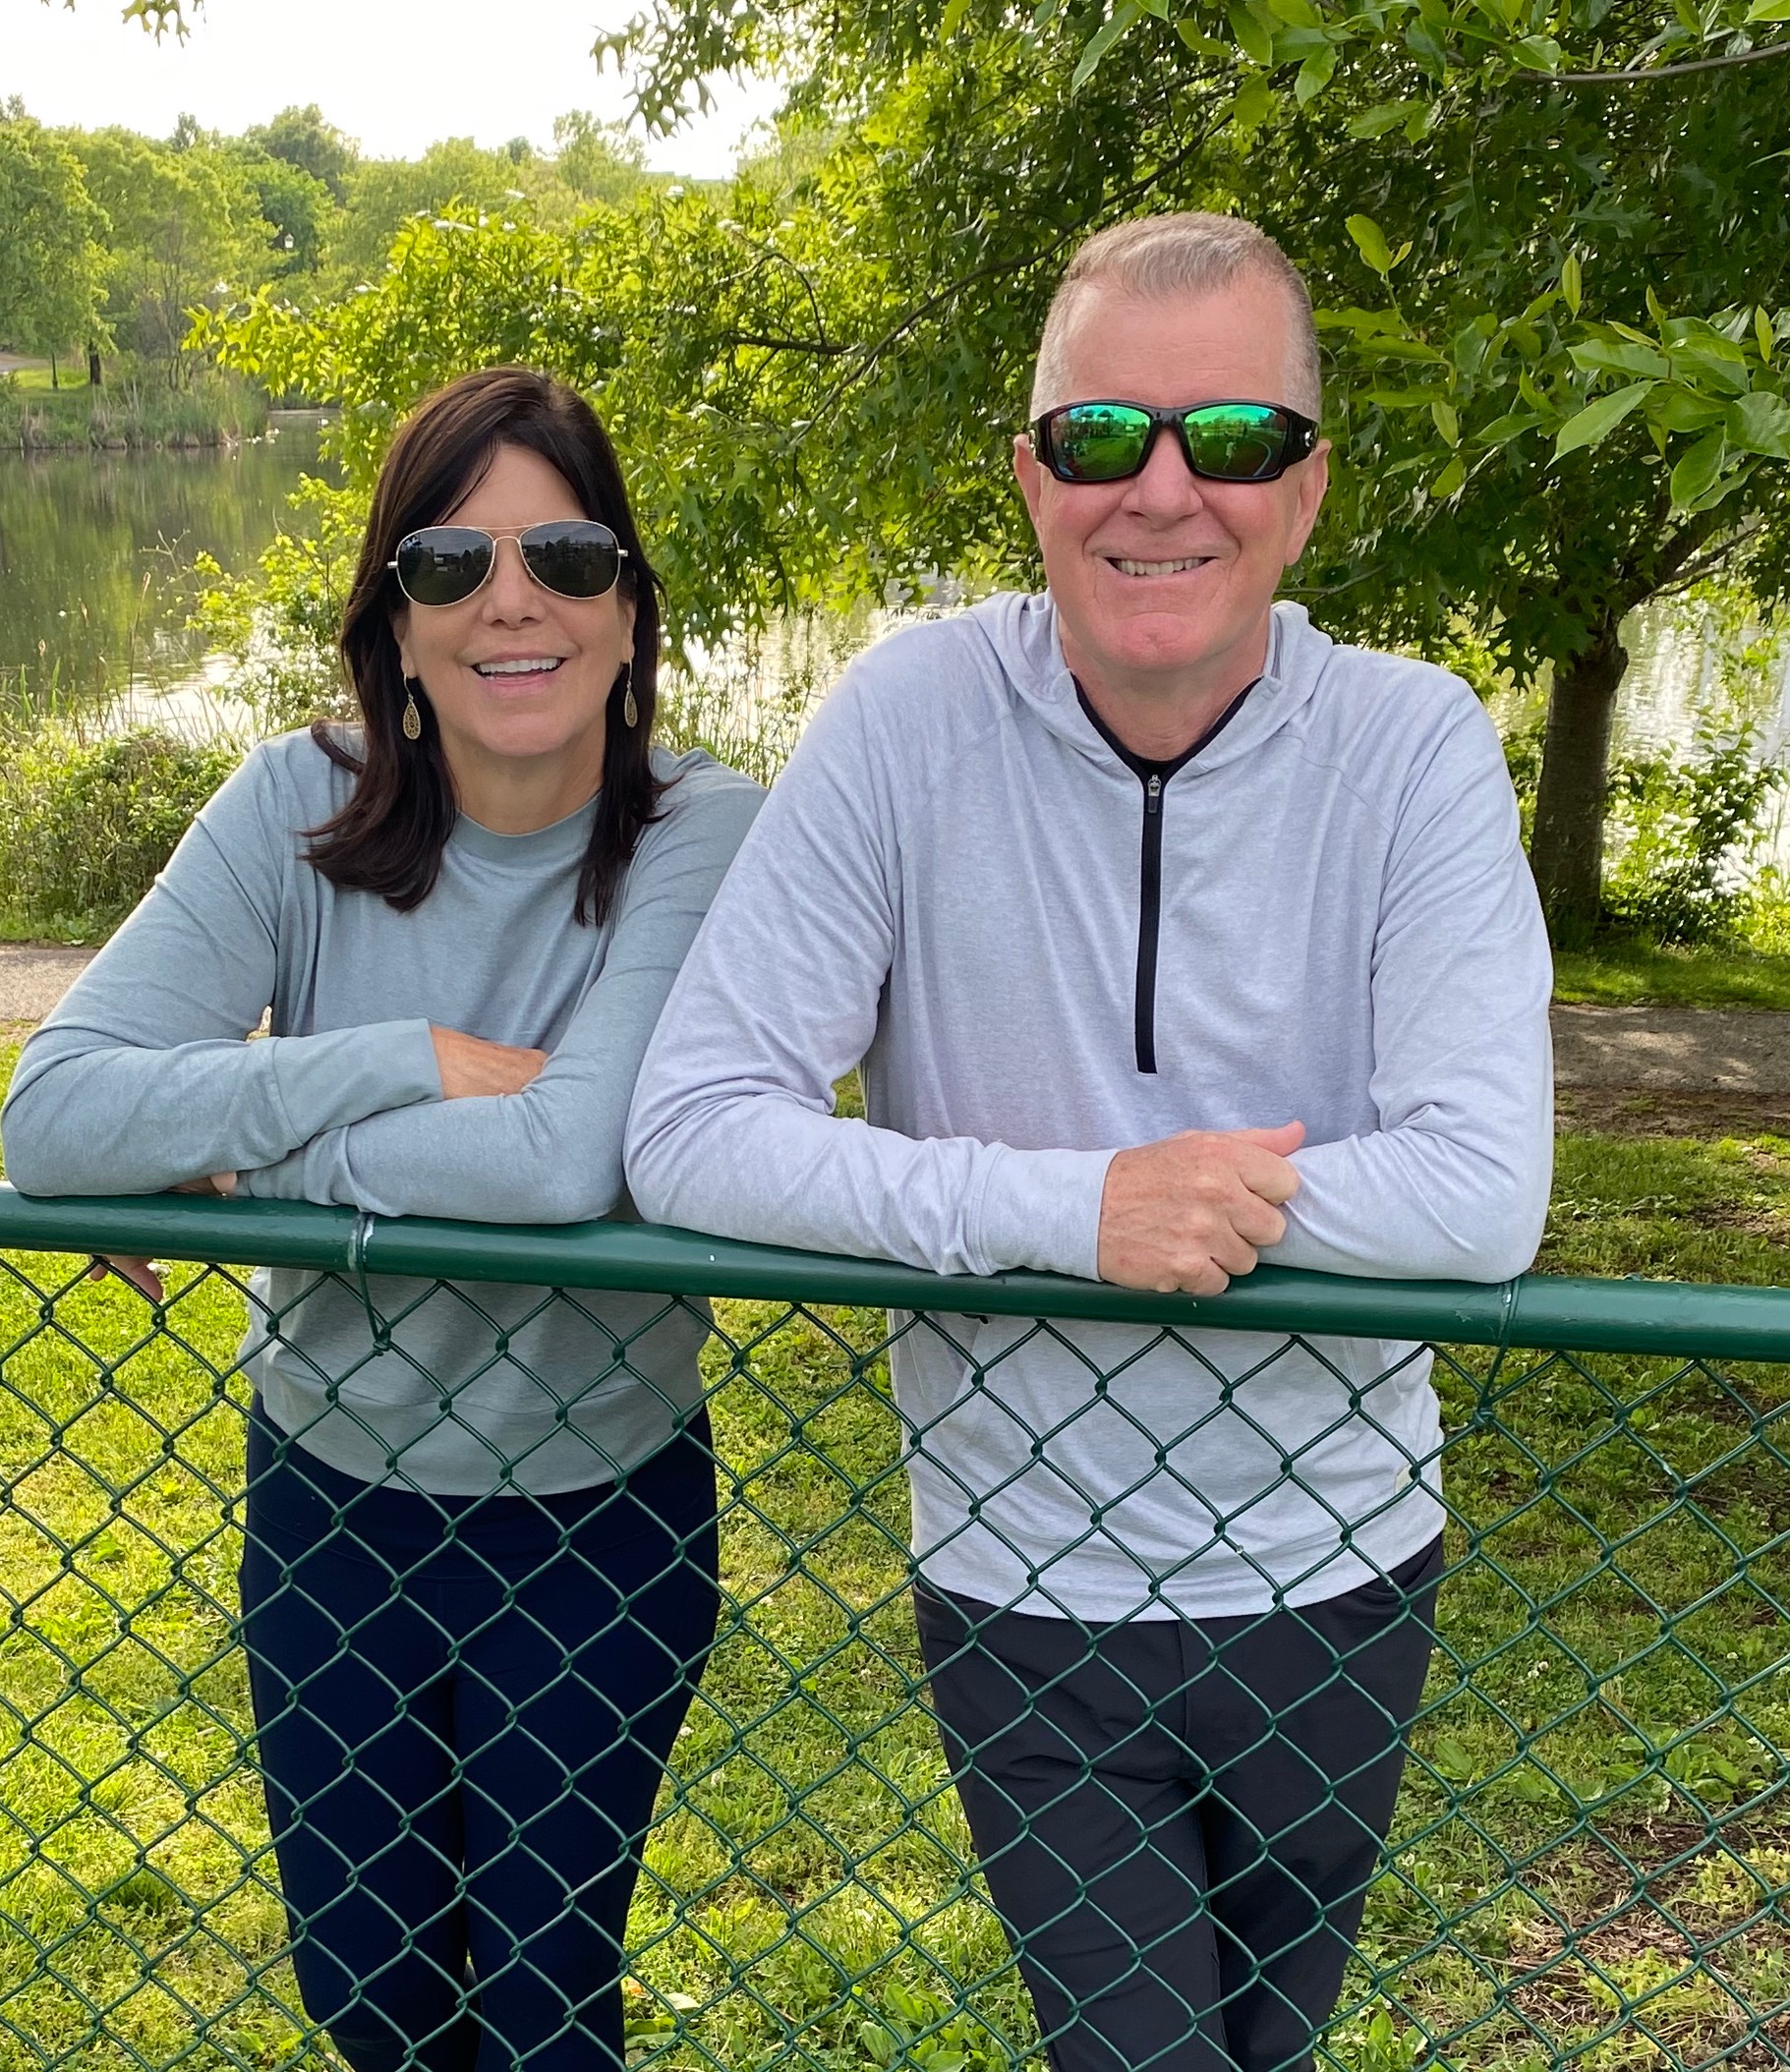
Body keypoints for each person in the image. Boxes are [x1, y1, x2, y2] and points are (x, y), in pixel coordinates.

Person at [626, 214, 1553, 2071]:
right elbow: (695, 1129)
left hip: (1344, 1567)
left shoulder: (1413, 745)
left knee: (1265, 2050)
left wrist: (1181, 1205)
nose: (1162, 490)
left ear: (1306, 490)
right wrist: (1079, 1209)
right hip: (1022, 1575)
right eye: (1101, 433)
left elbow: (1478, 1193)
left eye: (1233, 438)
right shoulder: (902, 723)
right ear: (1029, 474)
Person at [2, 366, 762, 2072]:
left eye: (566, 558)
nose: (513, 602)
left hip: (595, 1520)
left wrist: (235, 1154)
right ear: (395, 626)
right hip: (328, 1505)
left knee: (544, 2014)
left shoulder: (704, 831)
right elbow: (51, 1116)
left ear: (628, 611)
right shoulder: (291, 805)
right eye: (449, 564)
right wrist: (398, 1059)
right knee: (373, 2004)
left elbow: (561, 1162)